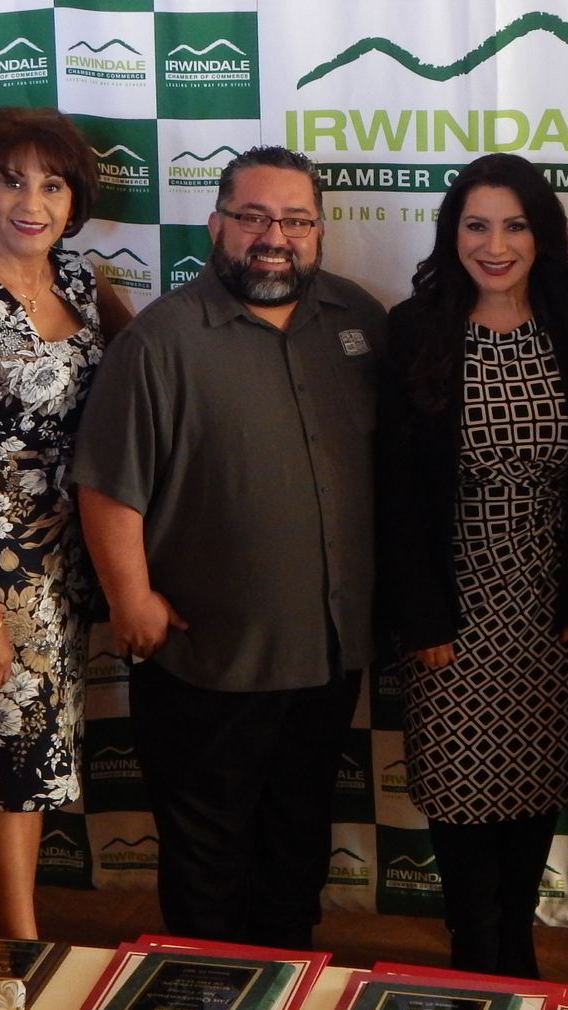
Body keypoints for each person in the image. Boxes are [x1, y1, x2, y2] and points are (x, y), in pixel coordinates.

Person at [72, 146, 385, 948]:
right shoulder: (162, 340)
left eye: (295, 220)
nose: (274, 236)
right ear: (217, 225)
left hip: (325, 654)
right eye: (253, 217)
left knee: (295, 847)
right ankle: (208, 1003)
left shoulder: (358, 323)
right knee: (208, 865)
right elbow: (108, 484)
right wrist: (130, 598)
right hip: (206, 658)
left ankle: (284, 994)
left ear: (319, 231)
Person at [376, 154, 568, 978]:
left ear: (542, 233)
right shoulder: (415, 328)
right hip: (454, 606)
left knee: (535, 784)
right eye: (477, 224)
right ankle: (476, 954)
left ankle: (519, 947)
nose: (496, 243)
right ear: (453, 234)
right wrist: (421, 614)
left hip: (552, 607)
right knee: (459, 792)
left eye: (514, 224)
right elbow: (395, 492)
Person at [0, 108, 131, 939]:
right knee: (5, 767)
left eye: (52, 182)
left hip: (67, 561)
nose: (31, 200)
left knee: (34, 763)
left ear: (74, 199)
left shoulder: (77, 281)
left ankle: (20, 938)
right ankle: (18, 956)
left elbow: (145, 370)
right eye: (12, 180)